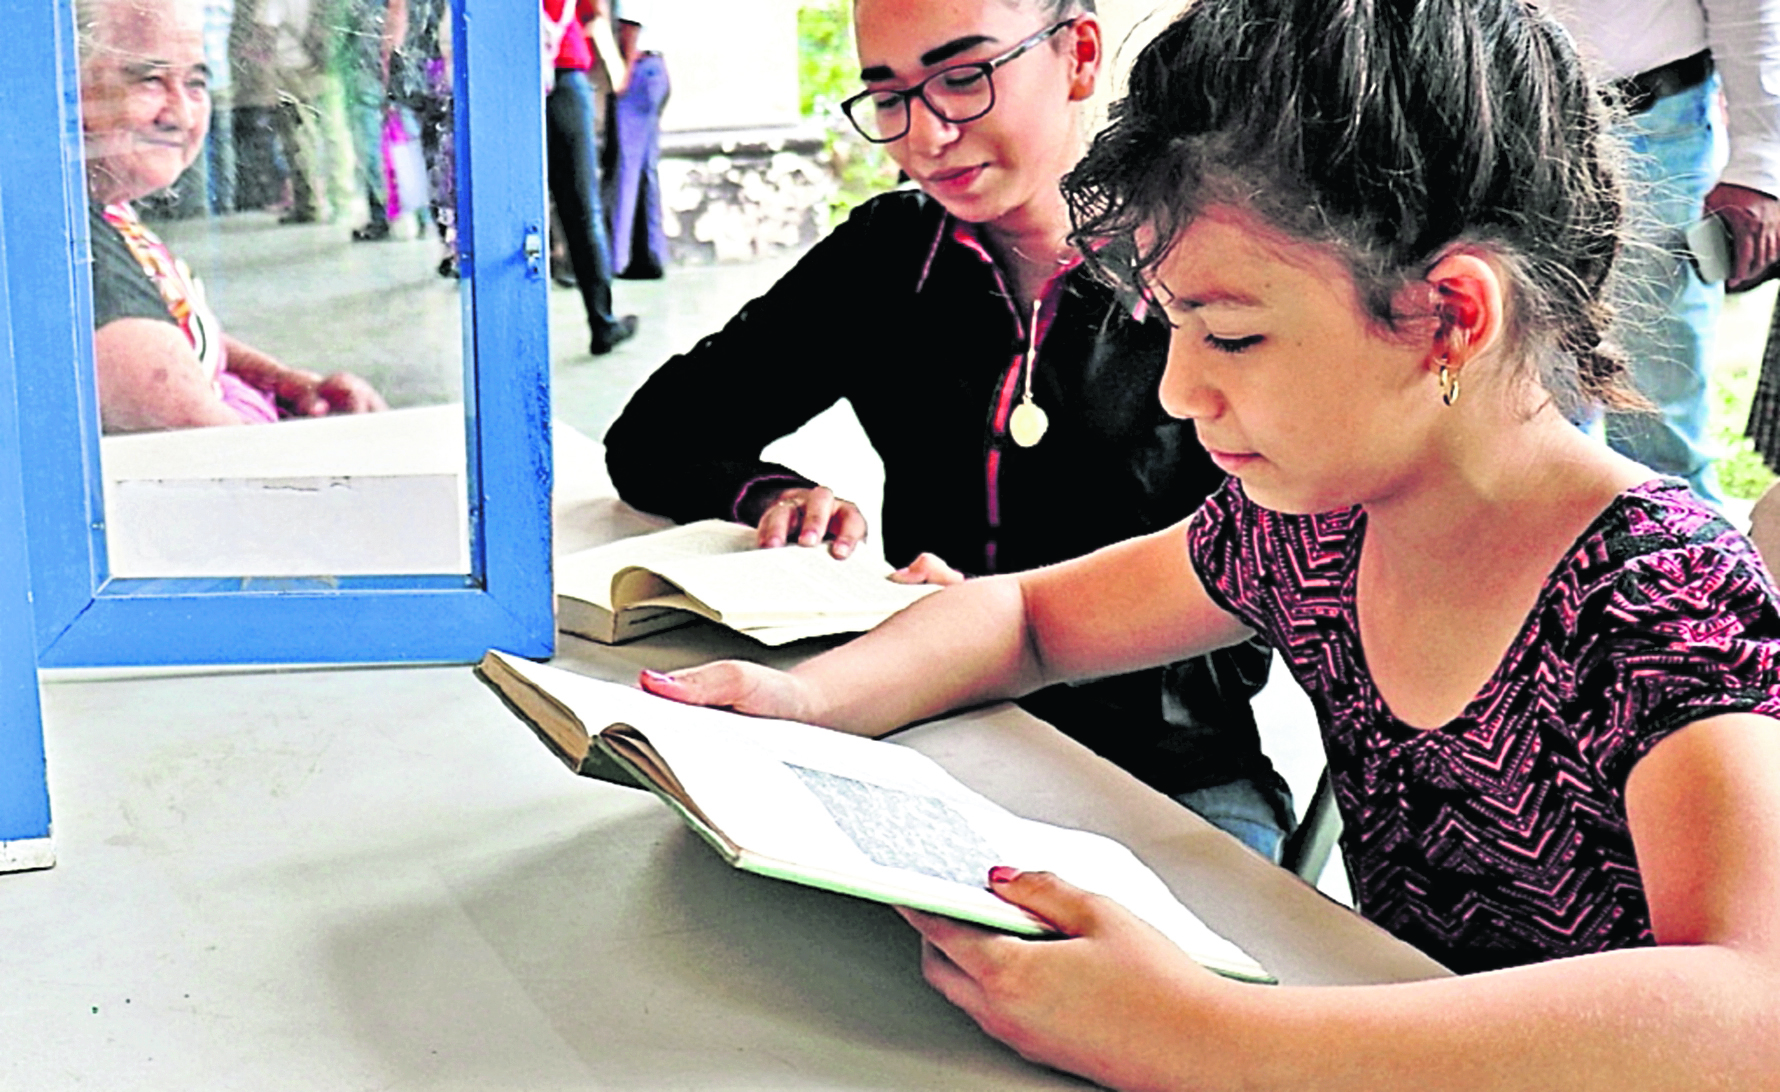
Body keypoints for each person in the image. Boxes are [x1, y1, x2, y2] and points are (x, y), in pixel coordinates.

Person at [639, 0, 1780, 1086]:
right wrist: (802, 706)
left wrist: (1213, 1038)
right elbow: (1031, 617)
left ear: (1447, 316)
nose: (1180, 391)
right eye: (1176, 328)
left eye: (1229, 335)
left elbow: (1751, 1011)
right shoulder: (1313, 525)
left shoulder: (1653, 592)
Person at [605, 0, 1294, 859]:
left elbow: (1269, 589)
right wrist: (777, 496)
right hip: (922, 729)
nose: (924, 135)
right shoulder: (890, 260)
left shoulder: (1200, 279)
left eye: (964, 78)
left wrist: (976, 627)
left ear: (1078, 56)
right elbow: (654, 436)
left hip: (1165, 770)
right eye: (888, 96)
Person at [79, 0, 386, 431]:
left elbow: (173, 323)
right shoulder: (79, 257)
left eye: (196, 82)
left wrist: (283, 383)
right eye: (149, 81)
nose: (183, 114)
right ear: (64, 87)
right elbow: (226, 466)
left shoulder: (104, 207)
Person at [1552, 0, 1780, 505]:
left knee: (1661, 419)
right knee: (1538, 409)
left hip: (1653, 121)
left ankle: (1690, 577)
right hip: (1493, 115)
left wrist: (1760, 164)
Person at [545, 0, 638, 355]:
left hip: (508, 87)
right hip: (563, 80)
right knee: (583, 210)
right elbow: (595, 10)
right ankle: (602, 322)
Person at [604, 0, 669, 280]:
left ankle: (617, 259)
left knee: (626, 169)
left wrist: (622, 75)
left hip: (639, 69)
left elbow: (630, 26)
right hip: (656, 68)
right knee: (645, 167)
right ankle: (651, 254)